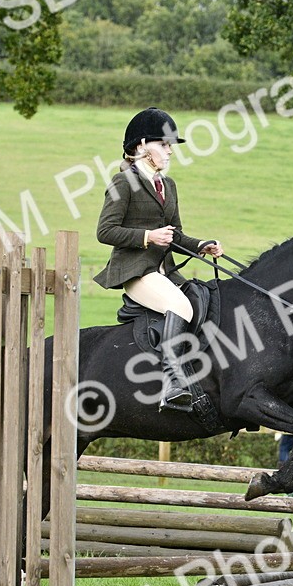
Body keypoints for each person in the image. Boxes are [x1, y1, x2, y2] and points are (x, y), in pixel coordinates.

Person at [94, 107, 223, 411]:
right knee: (180, 306)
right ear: (140, 147)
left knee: (207, 301)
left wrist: (201, 245)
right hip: (136, 272)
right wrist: (147, 237)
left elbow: (175, 234)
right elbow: (105, 231)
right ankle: (172, 383)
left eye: (170, 146)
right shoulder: (122, 182)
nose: (170, 151)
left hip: (165, 272)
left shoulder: (169, 185)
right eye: (164, 144)